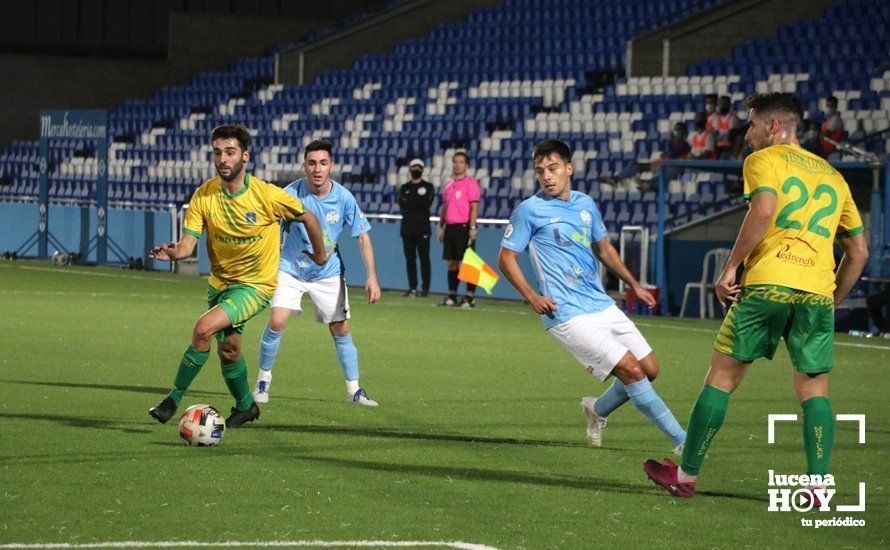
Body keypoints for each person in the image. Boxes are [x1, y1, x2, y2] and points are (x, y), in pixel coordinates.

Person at [644, 92, 868, 498]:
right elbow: (859, 251)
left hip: (768, 283)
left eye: (750, 125)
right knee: (814, 390)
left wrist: (730, 267)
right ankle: (818, 486)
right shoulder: (835, 177)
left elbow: (762, 211)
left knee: (722, 378)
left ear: (773, 126)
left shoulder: (763, 160)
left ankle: (686, 476)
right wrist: (830, 299)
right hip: (816, 291)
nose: (745, 134)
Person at [498, 139, 687, 451]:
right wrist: (532, 295)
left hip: (600, 304)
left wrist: (634, 284)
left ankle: (597, 409)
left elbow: (604, 249)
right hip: (566, 313)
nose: (546, 175)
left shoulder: (585, 204)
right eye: (540, 170)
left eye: (553, 168)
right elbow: (506, 258)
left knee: (650, 369)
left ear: (569, 169)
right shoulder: (529, 211)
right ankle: (682, 440)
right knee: (631, 370)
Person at [148, 124, 326, 428]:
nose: (222, 159)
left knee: (203, 329)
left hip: (256, 286)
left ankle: (172, 401)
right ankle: (246, 407)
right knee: (229, 352)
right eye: (217, 152)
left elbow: (308, 216)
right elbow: (188, 244)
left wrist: (320, 254)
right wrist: (174, 253)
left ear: (245, 156)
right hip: (221, 284)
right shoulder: (204, 196)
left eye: (230, 152)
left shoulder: (267, 196)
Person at [253, 140, 382, 406]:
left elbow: (362, 236)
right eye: (312, 163)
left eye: (323, 163)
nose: (317, 169)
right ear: (304, 166)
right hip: (291, 267)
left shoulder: (344, 198)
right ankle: (263, 381)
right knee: (277, 321)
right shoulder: (291, 193)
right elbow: (267, 225)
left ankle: (354, 391)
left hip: (328, 272)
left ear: (331, 166)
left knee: (341, 329)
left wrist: (371, 276)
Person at [437, 151, 481, 307]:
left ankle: (470, 297)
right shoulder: (448, 184)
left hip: (464, 226)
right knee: (452, 263)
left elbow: (474, 207)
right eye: (455, 161)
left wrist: (473, 226)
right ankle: (452, 296)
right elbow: (445, 207)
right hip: (450, 227)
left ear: (466, 165)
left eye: (461, 162)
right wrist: (440, 225)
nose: (457, 165)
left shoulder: (471, 184)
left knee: (468, 263)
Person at [398, 158, 434, 297]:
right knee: (410, 259)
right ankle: (412, 288)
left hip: (423, 228)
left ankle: (425, 288)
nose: (416, 169)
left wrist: (412, 203)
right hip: (407, 229)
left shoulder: (429, 187)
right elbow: (403, 205)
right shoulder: (404, 188)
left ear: (423, 169)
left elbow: (426, 204)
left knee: (424, 258)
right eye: (414, 167)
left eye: (419, 167)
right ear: (410, 169)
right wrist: (416, 203)